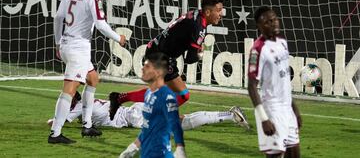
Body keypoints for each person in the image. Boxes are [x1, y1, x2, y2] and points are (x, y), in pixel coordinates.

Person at [109, 0, 225, 119]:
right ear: (208, 12)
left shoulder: (195, 14)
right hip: (161, 56)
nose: (221, 14)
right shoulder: (198, 28)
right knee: (183, 95)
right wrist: (200, 53)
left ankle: (119, 98)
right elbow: (190, 59)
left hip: (157, 49)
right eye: (218, 11)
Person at [49, 0, 126, 144]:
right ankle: (55, 133)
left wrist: (59, 43)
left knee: (93, 78)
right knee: (69, 89)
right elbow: (100, 24)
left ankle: (87, 125)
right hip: (78, 48)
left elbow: (58, 18)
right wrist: (118, 38)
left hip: (68, 44)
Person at [247, 6, 302, 158]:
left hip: (287, 109)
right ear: (260, 26)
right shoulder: (258, 49)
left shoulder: (282, 41)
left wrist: (294, 108)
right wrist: (264, 118)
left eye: (275, 19)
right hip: (272, 110)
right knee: (275, 156)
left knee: (294, 154)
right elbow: (251, 86)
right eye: (268, 21)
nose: (274, 23)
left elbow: (283, 80)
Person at [47, 91, 250, 130]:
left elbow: (60, 121)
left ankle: (230, 115)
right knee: (180, 120)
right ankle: (229, 114)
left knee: (181, 123)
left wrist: (54, 121)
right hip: (135, 110)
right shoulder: (86, 100)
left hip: (134, 116)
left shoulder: (78, 109)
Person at [119, 52, 186, 158]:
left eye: (147, 66)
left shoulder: (166, 96)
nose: (142, 69)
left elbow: (176, 123)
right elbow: (148, 127)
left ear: (158, 72)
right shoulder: (148, 93)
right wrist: (133, 147)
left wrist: (179, 149)